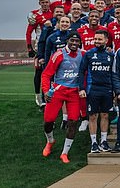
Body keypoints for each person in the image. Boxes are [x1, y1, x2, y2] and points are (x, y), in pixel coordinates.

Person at [41, 32, 84, 163]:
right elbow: (46, 74)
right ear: (67, 41)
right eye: (72, 41)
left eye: (77, 41)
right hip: (58, 90)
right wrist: (46, 91)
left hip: (74, 92)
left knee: (73, 122)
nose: (74, 44)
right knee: (48, 121)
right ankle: (50, 141)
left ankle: (64, 153)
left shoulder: (82, 54)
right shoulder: (59, 54)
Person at [79, 29, 114, 153]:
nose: (97, 41)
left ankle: (103, 141)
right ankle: (94, 143)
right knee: (93, 116)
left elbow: (114, 73)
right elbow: (81, 72)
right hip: (92, 89)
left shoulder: (111, 55)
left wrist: (114, 90)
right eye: (95, 39)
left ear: (106, 40)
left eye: (99, 39)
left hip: (107, 89)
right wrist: (81, 88)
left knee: (105, 115)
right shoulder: (89, 54)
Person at [26, 0, 53, 108]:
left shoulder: (53, 13)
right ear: (40, 3)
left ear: (49, 2)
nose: (45, 4)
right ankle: (38, 96)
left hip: (52, 46)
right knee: (39, 72)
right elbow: (28, 32)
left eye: (47, 2)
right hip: (40, 47)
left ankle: (48, 96)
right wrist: (29, 47)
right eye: (43, 2)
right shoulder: (35, 15)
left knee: (50, 72)